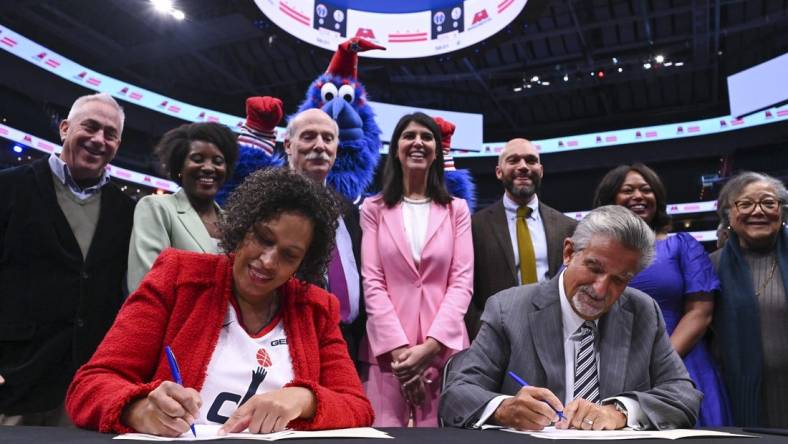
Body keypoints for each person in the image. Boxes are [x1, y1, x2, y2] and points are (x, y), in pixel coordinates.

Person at [65, 168, 373, 435]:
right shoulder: (177, 277)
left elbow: (357, 407)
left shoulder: (317, 307)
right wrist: (138, 409)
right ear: (241, 227)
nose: (267, 261)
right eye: (263, 239)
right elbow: (90, 386)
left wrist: (303, 400)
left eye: (289, 255)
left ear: (303, 263)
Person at [440, 205, 701, 431]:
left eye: (619, 279)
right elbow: (457, 394)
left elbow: (684, 396)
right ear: (568, 252)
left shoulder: (644, 311)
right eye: (594, 267)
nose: (600, 289)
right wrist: (504, 408)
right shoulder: (507, 309)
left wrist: (620, 412)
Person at [0, 93, 134, 426]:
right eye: (90, 126)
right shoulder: (9, 187)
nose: (99, 139)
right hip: (14, 379)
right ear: (64, 128)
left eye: (110, 133)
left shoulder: (126, 211)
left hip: (85, 390)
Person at [593, 163, 730, 426]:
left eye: (647, 190)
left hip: (683, 364)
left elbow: (700, 312)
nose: (639, 196)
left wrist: (659, 364)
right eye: (628, 190)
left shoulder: (681, 245)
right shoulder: (592, 250)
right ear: (611, 199)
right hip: (612, 365)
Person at [360, 112, 473, 427]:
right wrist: (401, 356)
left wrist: (430, 348)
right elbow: (373, 283)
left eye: (427, 137)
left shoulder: (457, 210)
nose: (418, 143)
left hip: (445, 352)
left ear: (437, 150)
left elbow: (461, 283)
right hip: (386, 356)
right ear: (396, 148)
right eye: (409, 136)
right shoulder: (373, 209)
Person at [466, 138, 577, 338]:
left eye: (531, 160)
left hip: (556, 336)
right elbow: (465, 290)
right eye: (513, 160)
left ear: (541, 170)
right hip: (497, 339)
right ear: (499, 172)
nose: (523, 166)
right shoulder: (475, 226)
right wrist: (483, 332)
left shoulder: (568, 226)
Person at [284, 108, 365, 366]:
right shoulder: (267, 202)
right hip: (288, 338)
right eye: (309, 137)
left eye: (328, 139)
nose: (320, 146)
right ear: (288, 145)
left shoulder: (347, 209)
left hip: (344, 341)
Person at [710, 171, 788, 427]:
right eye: (745, 204)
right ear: (729, 215)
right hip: (737, 400)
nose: (758, 211)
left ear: (782, 212)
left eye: (768, 202)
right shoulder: (711, 267)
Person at [126, 122, 239, 292]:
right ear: (179, 166)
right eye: (197, 159)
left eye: (218, 161)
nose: (209, 167)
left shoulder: (234, 224)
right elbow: (146, 284)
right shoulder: (157, 208)